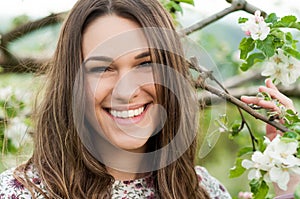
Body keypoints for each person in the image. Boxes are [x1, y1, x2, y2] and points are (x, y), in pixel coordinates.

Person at [0, 0, 297, 198]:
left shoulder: (202, 190)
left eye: (145, 64)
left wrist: (285, 175)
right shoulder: (20, 193)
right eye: (103, 68)